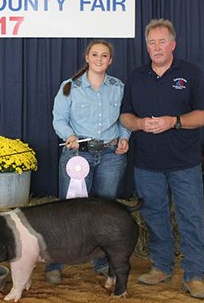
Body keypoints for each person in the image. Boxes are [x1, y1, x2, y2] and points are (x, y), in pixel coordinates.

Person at [120, 19, 204, 300]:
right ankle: (161, 266)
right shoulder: (136, 77)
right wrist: (138, 124)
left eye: (162, 42)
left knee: (191, 218)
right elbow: (125, 115)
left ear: (173, 44)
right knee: (155, 217)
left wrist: (174, 121)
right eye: (151, 42)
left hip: (184, 163)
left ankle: (195, 275)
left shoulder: (191, 74)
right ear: (146, 46)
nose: (157, 47)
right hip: (147, 164)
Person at [47, 39, 130, 284]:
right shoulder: (69, 87)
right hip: (78, 154)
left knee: (106, 212)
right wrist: (69, 136)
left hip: (110, 155)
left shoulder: (119, 87)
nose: (99, 59)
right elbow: (58, 119)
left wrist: (125, 138)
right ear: (87, 57)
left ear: (110, 60)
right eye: (95, 54)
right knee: (67, 211)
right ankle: (55, 263)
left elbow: (126, 118)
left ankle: (102, 263)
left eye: (104, 56)